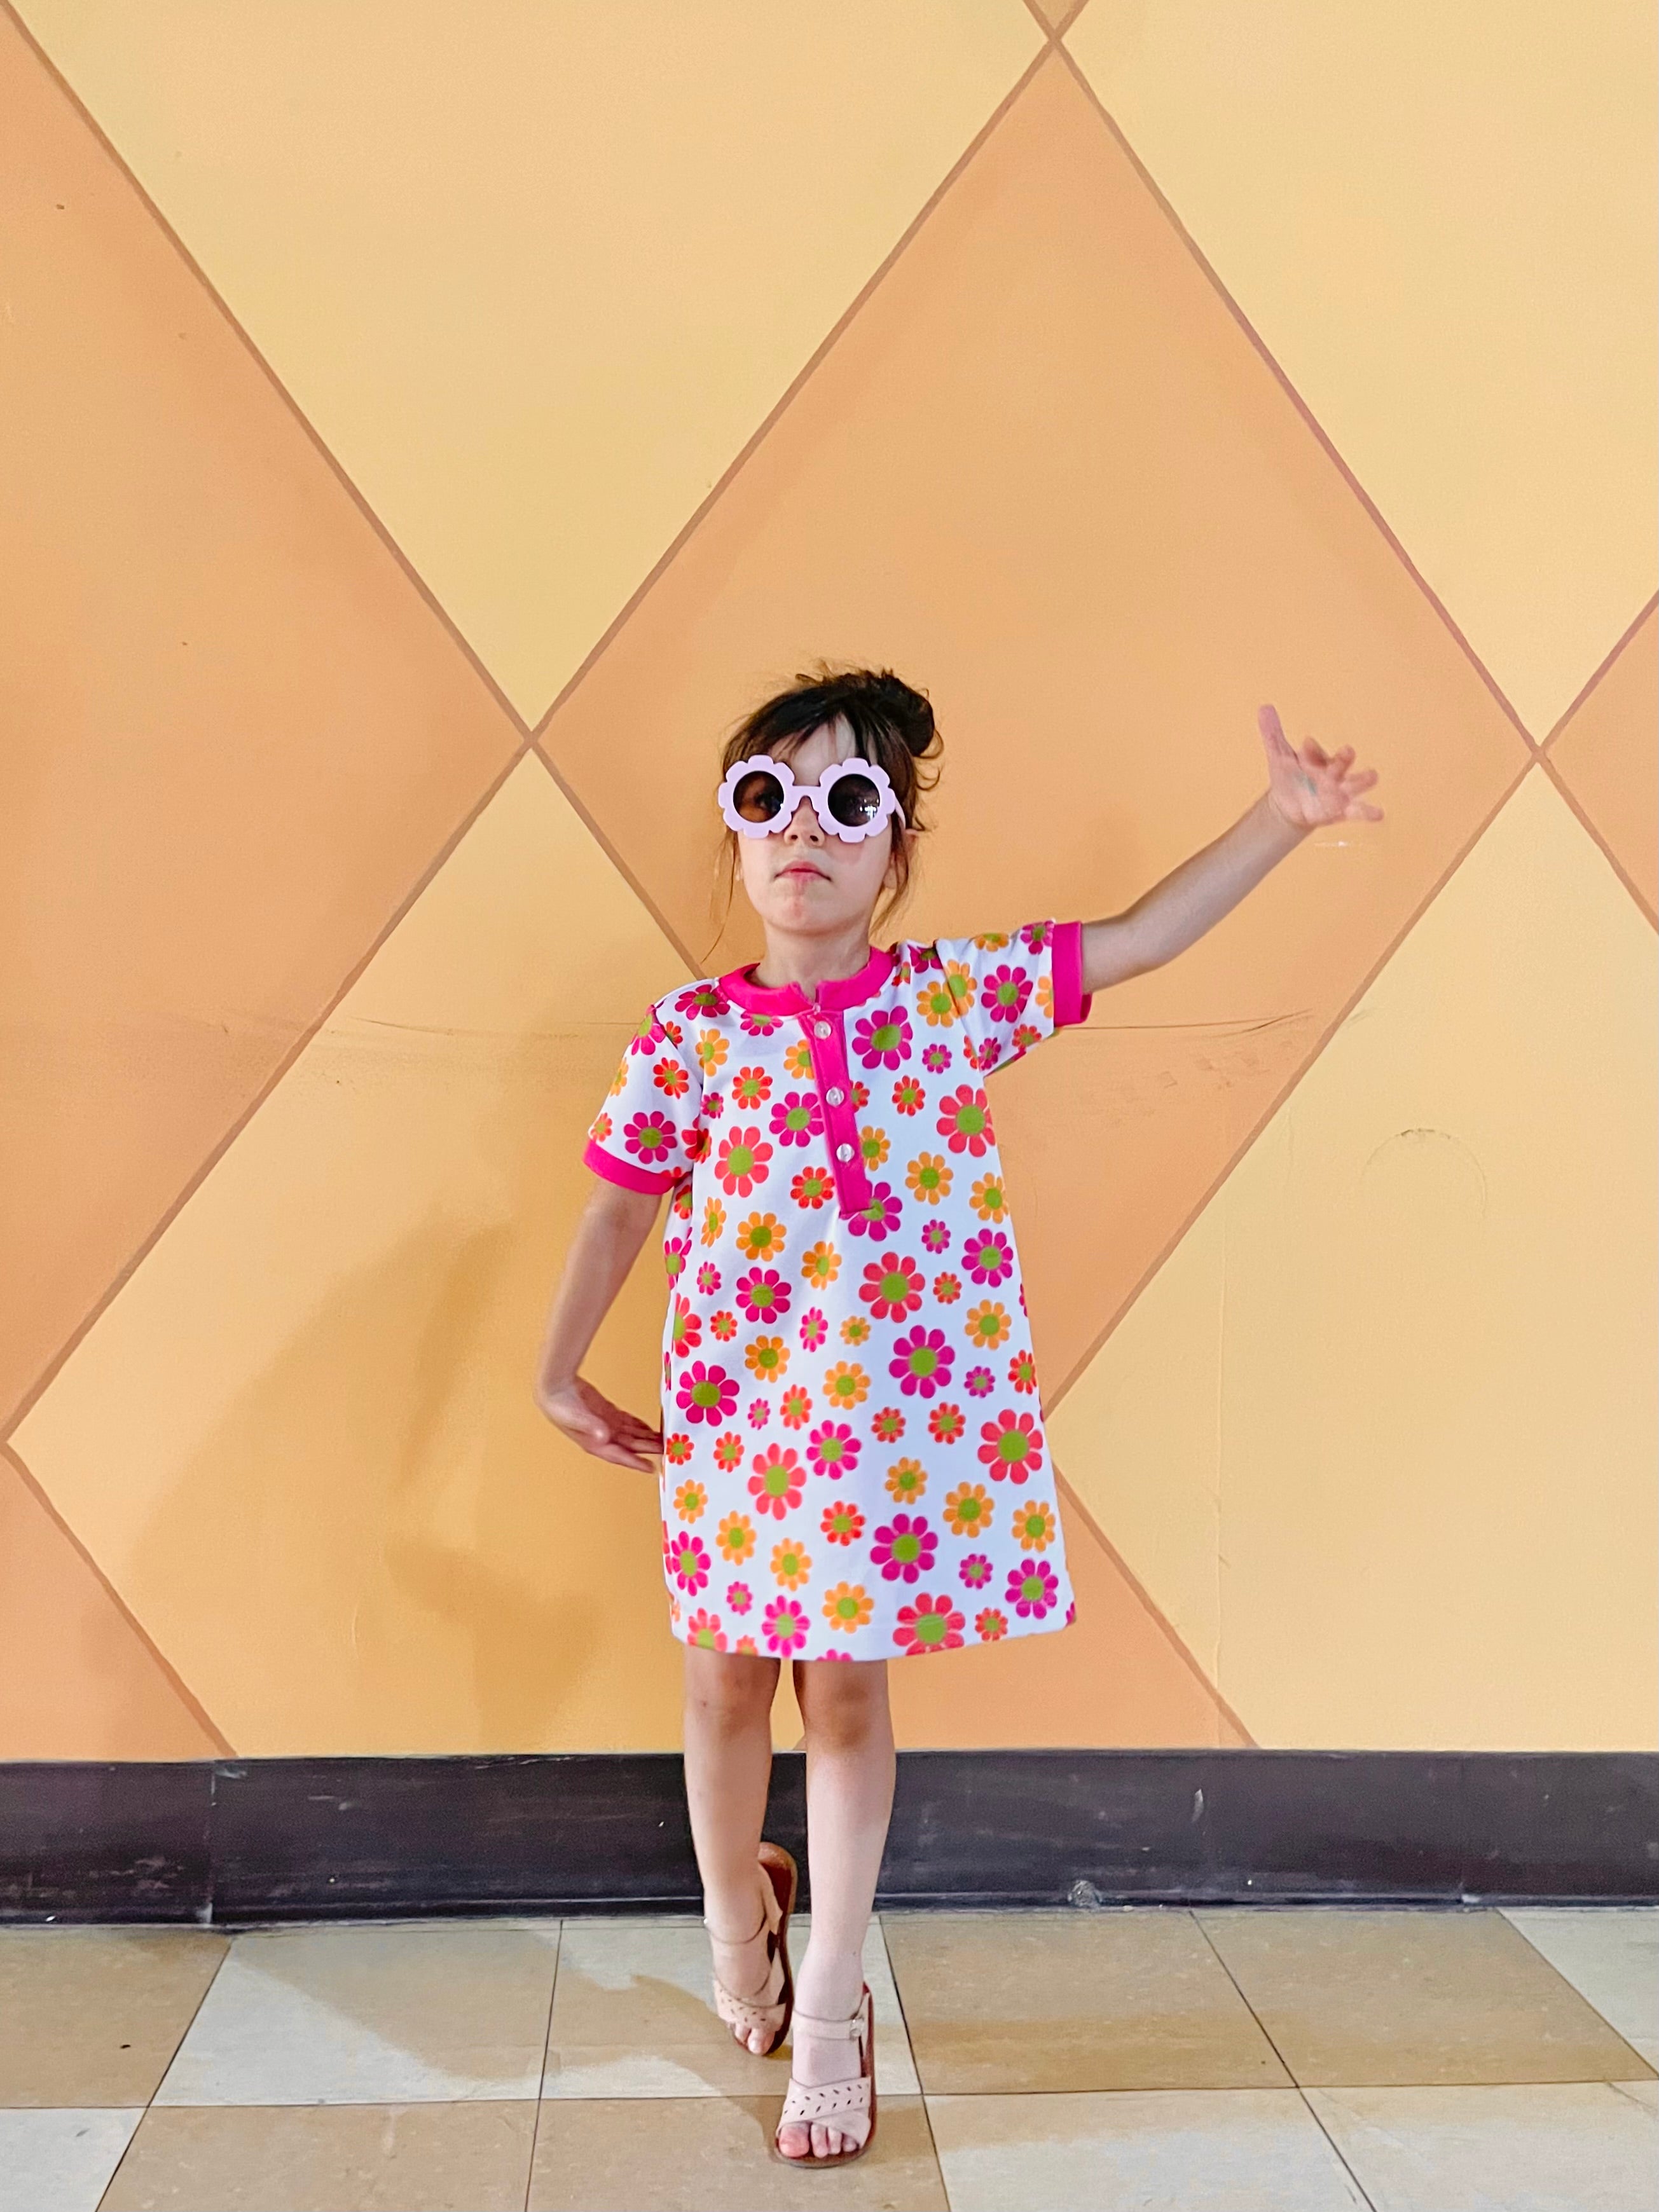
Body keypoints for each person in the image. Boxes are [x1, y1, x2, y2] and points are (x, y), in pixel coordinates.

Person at [533, 663, 1381, 2164]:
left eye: (848, 801)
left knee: (846, 1701)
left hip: (880, 1440)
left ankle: (840, 2007)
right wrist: (558, 1368)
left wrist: (1278, 818)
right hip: (736, 1425)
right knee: (725, 1690)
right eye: (769, 798)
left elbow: (1135, 939)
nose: (807, 829)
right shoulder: (687, 1038)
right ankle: (741, 1919)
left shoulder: (951, 1002)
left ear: (893, 848)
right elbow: (613, 1211)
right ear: (737, 836)